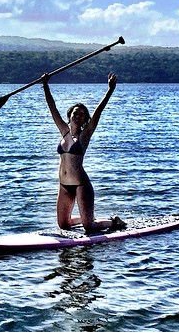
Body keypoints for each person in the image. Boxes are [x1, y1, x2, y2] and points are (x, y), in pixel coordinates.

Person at [42, 72, 126, 234]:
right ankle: (87, 216)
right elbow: (52, 108)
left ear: (85, 118)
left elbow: (98, 112)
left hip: (81, 184)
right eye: (75, 113)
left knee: (89, 227)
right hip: (64, 185)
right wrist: (45, 85)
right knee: (64, 225)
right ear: (70, 116)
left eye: (82, 114)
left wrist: (110, 90)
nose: (78, 116)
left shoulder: (84, 135)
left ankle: (114, 221)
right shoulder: (64, 132)